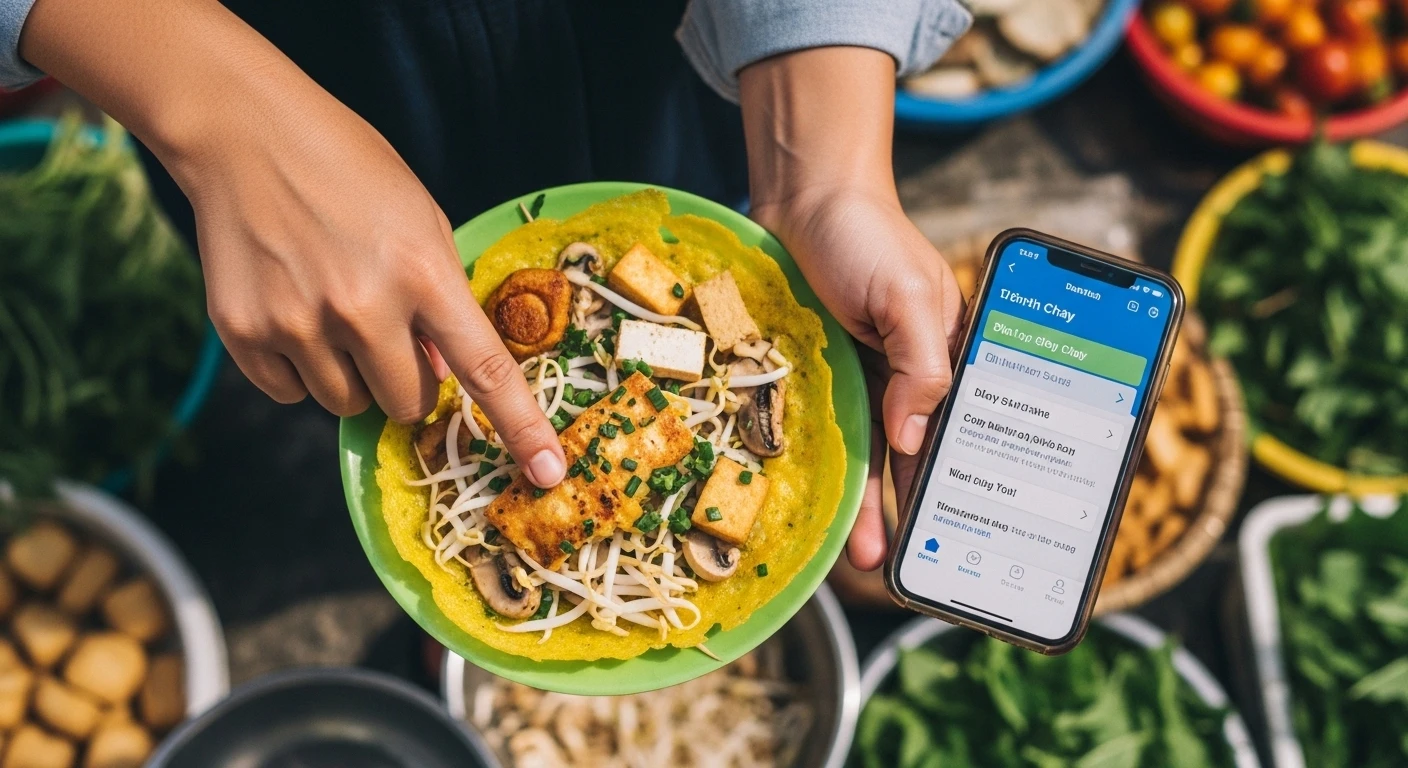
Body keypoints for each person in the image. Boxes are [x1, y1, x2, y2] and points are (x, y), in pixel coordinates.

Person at [2, 0, 971, 571]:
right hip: (294, 98)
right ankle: (457, 564)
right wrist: (218, 111)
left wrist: (822, 166)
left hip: (667, 59)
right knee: (360, 370)